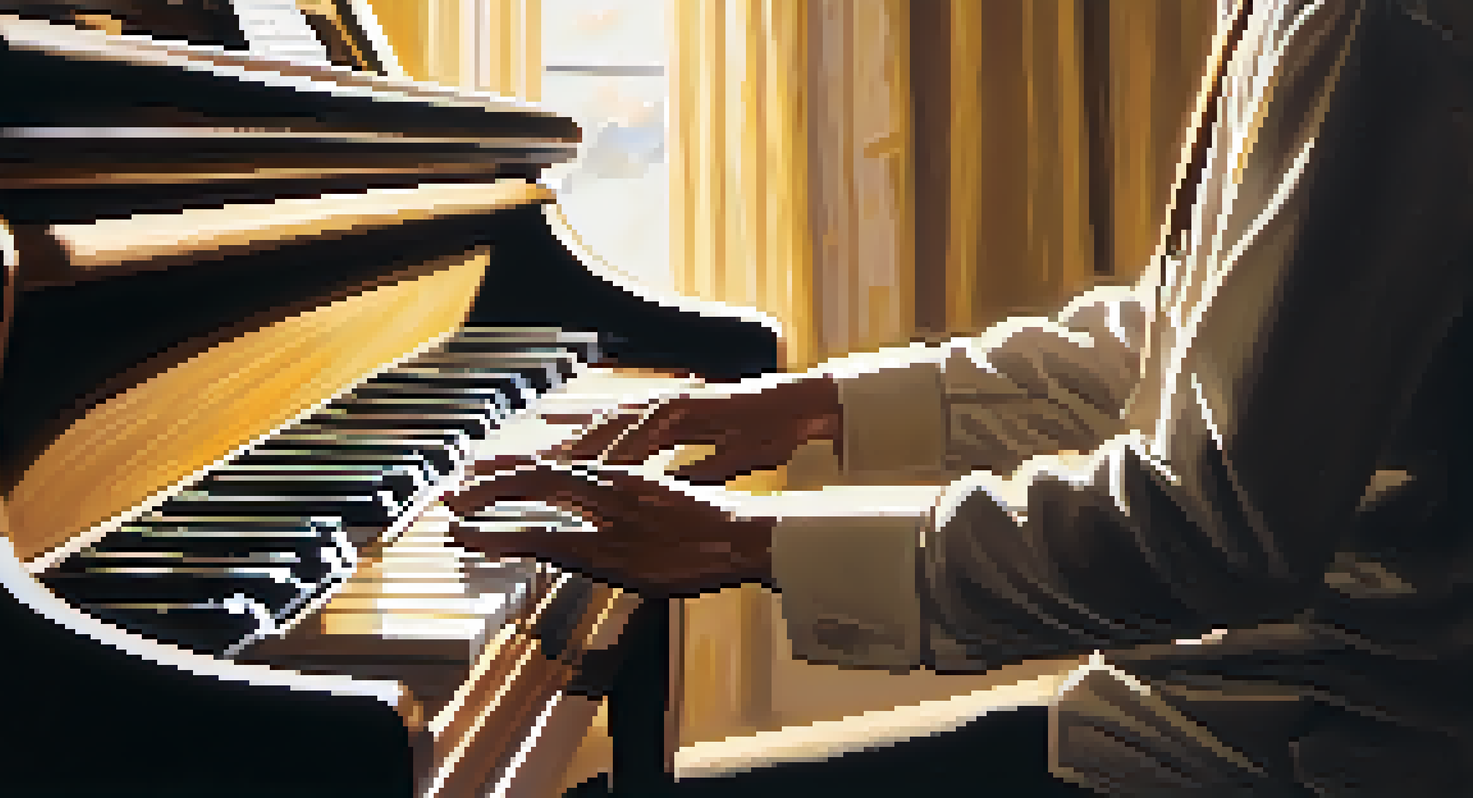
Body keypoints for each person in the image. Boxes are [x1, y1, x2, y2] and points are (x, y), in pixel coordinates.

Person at [443, 0, 1473, 794]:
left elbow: (1212, 528)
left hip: (1312, 750)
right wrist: (811, 406)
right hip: (1211, 714)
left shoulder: (1380, 27)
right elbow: (1172, 342)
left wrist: (747, 542)